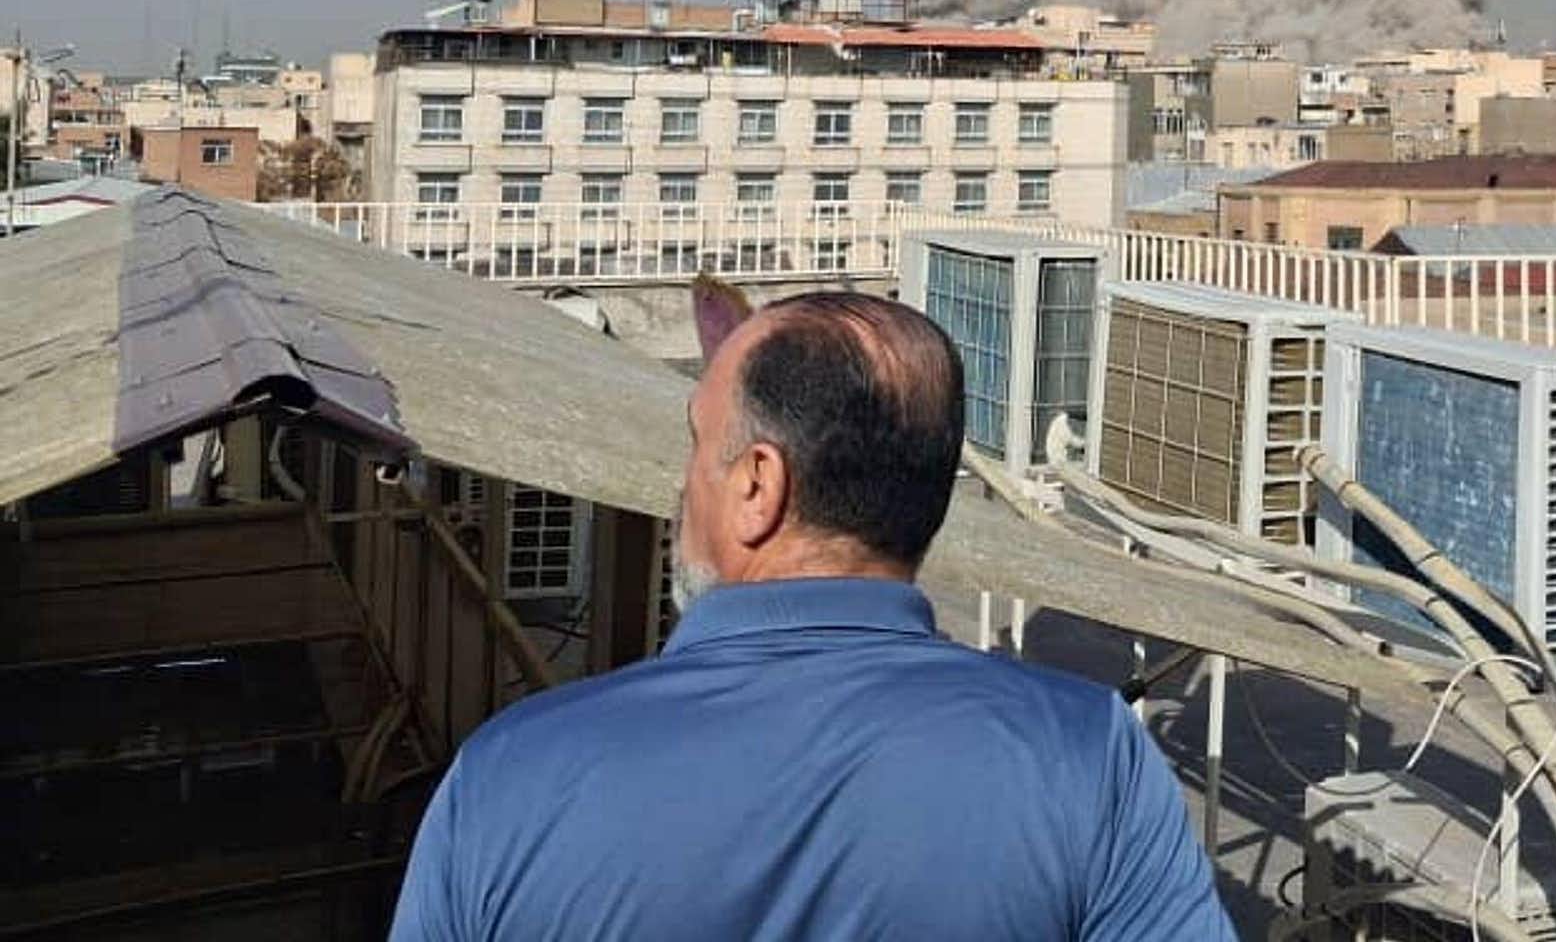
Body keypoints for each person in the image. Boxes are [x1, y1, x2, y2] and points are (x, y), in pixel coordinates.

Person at [391, 292, 1234, 941]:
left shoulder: (514, 776)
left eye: (697, 442)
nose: (684, 480)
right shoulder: (1090, 760)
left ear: (758, 485)